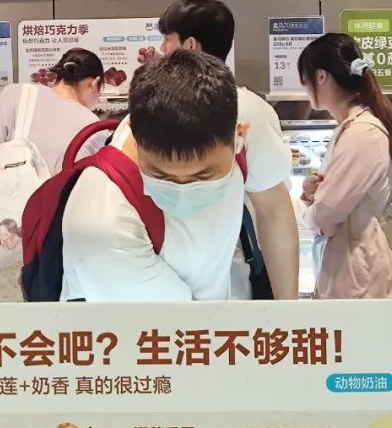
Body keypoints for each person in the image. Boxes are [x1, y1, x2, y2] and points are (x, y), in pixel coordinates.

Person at [61, 50, 254, 301]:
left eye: (204, 175)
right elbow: (169, 322)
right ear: (135, 137)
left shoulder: (232, 125)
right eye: (161, 175)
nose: (184, 191)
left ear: (239, 136)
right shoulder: (101, 223)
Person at [157, 0, 300, 299]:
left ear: (190, 46)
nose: (161, 49)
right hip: (197, 285)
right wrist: (288, 309)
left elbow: (273, 212)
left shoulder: (241, 108)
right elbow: (274, 211)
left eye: (167, 39)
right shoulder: (246, 106)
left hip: (177, 284)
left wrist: (288, 309)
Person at [0, 48, 106, 285]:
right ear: (94, 84)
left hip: (3, 248)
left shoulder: (16, 95)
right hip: (54, 257)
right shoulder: (94, 127)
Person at [296, 33, 392, 300]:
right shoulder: (355, 128)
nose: (305, 88)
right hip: (355, 275)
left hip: (358, 280)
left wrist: (310, 214)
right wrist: (314, 196)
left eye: (305, 79)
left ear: (321, 76)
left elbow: (326, 215)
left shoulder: (361, 133)